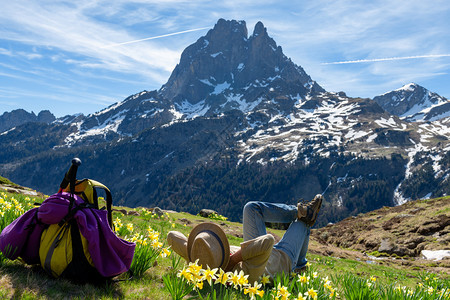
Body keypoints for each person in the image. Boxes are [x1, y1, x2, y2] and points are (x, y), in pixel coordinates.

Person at [167, 194, 323, 284]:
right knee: (303, 224)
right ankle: (300, 264)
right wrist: (233, 260)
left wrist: (191, 251)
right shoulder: (245, 273)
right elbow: (267, 241)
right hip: (283, 260)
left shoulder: (200, 260)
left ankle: (299, 211)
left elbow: (172, 236)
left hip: (258, 250)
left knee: (251, 208)